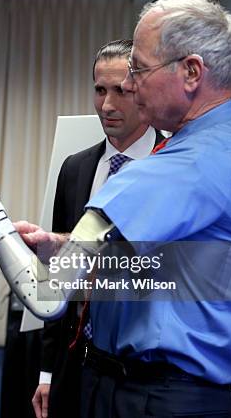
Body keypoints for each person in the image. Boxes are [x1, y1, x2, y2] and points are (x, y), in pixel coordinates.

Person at [16, 0, 231, 416]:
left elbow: (52, 287)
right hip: (137, 384)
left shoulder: (193, 165)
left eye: (138, 69)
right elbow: (150, 268)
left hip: (160, 396)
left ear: (191, 71)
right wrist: (60, 246)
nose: (130, 84)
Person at [29, 39, 164, 418]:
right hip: (80, 364)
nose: (107, 105)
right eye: (100, 90)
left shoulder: (174, 166)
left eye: (121, 91)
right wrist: (47, 371)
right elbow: (56, 277)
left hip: (147, 375)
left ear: (143, 91)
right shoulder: (75, 169)